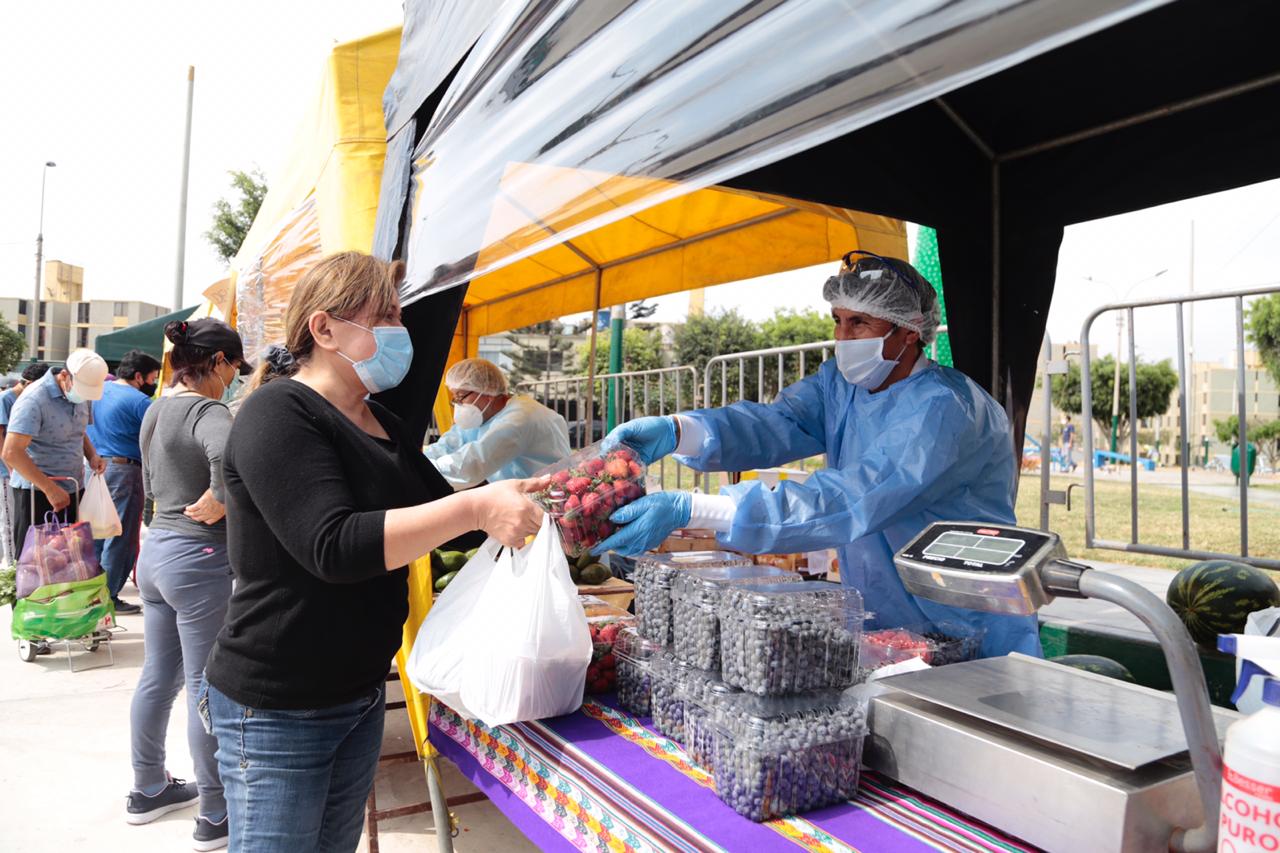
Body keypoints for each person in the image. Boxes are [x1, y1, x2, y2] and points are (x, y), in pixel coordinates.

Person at [200, 251, 545, 852]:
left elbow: (454, 524)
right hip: (279, 703)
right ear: (324, 328)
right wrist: (475, 507)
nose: (399, 330)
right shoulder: (276, 413)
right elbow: (332, 546)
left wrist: (558, 500)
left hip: (355, 694)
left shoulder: (375, 418)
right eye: (383, 315)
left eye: (399, 316)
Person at [596, 251, 1041, 658]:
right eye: (838, 320)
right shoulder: (843, 386)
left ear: (908, 333)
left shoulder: (944, 408)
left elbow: (852, 497)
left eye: (860, 324)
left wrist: (697, 508)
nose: (842, 338)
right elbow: (776, 423)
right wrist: (682, 432)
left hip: (969, 621)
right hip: (889, 619)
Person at [125, 321, 247, 849]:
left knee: (159, 676)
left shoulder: (156, 407)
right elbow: (225, 455)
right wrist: (220, 495)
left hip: (155, 554)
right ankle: (216, 814)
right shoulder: (207, 409)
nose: (234, 379)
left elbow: (150, 482)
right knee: (205, 686)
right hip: (197, 559)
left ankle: (147, 787)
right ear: (218, 361)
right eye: (235, 369)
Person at [2, 349, 108, 555]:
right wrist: (50, 489)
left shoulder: (82, 396)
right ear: (65, 376)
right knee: (36, 561)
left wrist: (92, 455)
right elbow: (11, 452)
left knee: (69, 558)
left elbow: (78, 431)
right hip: (37, 493)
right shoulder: (34, 400)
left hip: (73, 487)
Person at [86, 349, 162, 614]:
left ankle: (91, 594)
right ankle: (108, 597)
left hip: (95, 468)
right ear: (139, 376)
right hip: (124, 471)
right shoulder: (140, 402)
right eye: (153, 377)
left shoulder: (96, 394)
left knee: (96, 534)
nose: (153, 383)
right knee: (120, 536)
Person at [425, 357, 571, 489]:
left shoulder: (519, 419)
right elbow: (449, 444)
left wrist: (420, 470)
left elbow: (472, 464)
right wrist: (418, 460)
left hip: (548, 499)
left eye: (461, 396)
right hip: (521, 496)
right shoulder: (483, 416)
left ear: (486, 392)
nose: (458, 404)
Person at [0, 363, 50, 563]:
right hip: (7, 471)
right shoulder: (6, 399)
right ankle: (11, 568)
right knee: (9, 521)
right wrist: (11, 468)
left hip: (23, 471)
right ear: (29, 383)